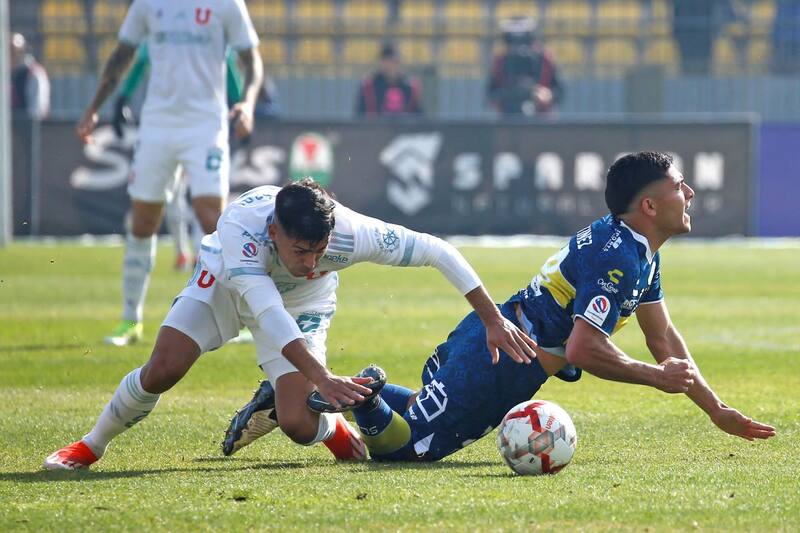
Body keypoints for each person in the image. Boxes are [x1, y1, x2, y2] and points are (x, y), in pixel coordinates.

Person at [224, 152, 775, 463]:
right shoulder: (620, 258)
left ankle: (329, 392)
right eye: (682, 186)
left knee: (417, 418)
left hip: (504, 352)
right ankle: (357, 395)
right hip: (502, 358)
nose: (692, 194)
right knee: (405, 453)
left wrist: (715, 408)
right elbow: (587, 346)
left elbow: (665, 341)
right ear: (651, 204)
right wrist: (658, 380)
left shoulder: (638, 253)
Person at [43, 178, 538, 470]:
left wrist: (491, 318)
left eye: (320, 252)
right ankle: (91, 444)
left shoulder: (351, 235)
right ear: (275, 231)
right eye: (300, 251)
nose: (310, 260)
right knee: (164, 369)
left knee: (301, 424)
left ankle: (315, 421)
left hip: (304, 304)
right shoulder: (241, 231)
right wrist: (322, 378)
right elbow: (266, 315)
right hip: (229, 283)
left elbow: (436, 250)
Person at [74, 0, 264, 347]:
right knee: (143, 221)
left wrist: (248, 102)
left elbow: (252, 61)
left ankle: (241, 314)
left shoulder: (226, 5)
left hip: (206, 125)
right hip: (157, 125)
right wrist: (94, 107)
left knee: (213, 218)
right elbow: (123, 54)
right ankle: (131, 320)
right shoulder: (148, 4)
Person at [486, 17, 563, 117]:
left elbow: (559, 92)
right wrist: (508, 94)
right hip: (508, 118)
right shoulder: (500, 61)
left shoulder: (544, 59)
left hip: (541, 118)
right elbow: (490, 94)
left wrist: (547, 95)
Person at [355, 43, 423, 117]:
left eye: (394, 61)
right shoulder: (368, 87)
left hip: (404, 128)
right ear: (381, 63)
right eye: (387, 61)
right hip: (377, 128)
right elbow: (359, 117)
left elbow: (419, 117)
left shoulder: (411, 87)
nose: (391, 65)